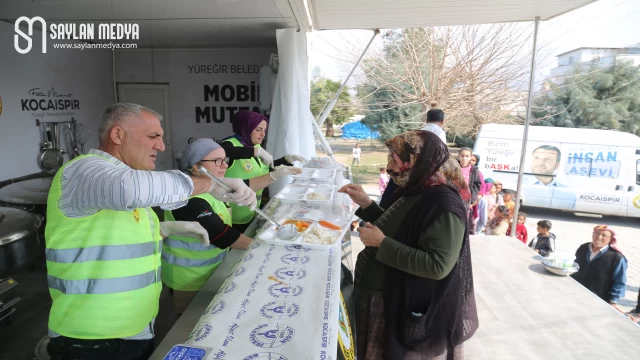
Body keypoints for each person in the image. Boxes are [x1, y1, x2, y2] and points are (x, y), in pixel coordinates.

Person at [45, 103, 256, 360]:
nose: (162, 146)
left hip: (135, 328)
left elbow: (122, 238)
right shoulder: (82, 170)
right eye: (153, 136)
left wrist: (165, 229)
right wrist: (210, 184)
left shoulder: (126, 180)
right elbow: (131, 190)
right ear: (118, 135)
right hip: (92, 337)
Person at [339, 130, 478, 360]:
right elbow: (402, 228)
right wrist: (366, 204)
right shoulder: (420, 187)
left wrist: (381, 245)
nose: (390, 165)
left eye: (395, 158)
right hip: (384, 299)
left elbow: (438, 265)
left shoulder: (443, 204)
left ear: (418, 160)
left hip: (399, 306)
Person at [162, 138, 253, 315]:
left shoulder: (212, 190)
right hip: (187, 277)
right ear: (196, 166)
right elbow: (222, 235)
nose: (224, 165)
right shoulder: (188, 200)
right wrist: (265, 244)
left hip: (212, 269)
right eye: (216, 161)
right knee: (188, 322)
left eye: (224, 160)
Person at [221, 110, 305, 232]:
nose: (262, 134)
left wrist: (286, 160)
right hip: (233, 214)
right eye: (258, 129)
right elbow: (224, 152)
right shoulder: (229, 145)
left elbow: (263, 170)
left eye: (264, 130)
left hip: (251, 210)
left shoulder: (255, 145)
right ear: (246, 127)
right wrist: (256, 152)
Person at [571, 225, 627, 312]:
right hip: (575, 293)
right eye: (596, 234)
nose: (599, 237)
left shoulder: (616, 257)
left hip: (598, 299)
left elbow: (619, 281)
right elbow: (574, 266)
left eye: (604, 235)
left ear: (611, 239)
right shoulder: (584, 247)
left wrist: (613, 301)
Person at [524, 145, 576, 210]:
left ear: (557, 165)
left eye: (548, 159)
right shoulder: (519, 185)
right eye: (537, 158)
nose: (540, 163)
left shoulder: (568, 194)